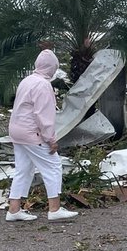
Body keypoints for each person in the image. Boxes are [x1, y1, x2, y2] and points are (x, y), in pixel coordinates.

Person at [5, 49, 78, 222]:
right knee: (53, 165)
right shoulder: (43, 86)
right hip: (32, 133)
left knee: (23, 169)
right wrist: (51, 139)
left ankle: (13, 210)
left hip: (16, 130)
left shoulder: (27, 80)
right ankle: (54, 208)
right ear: (52, 68)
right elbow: (43, 116)